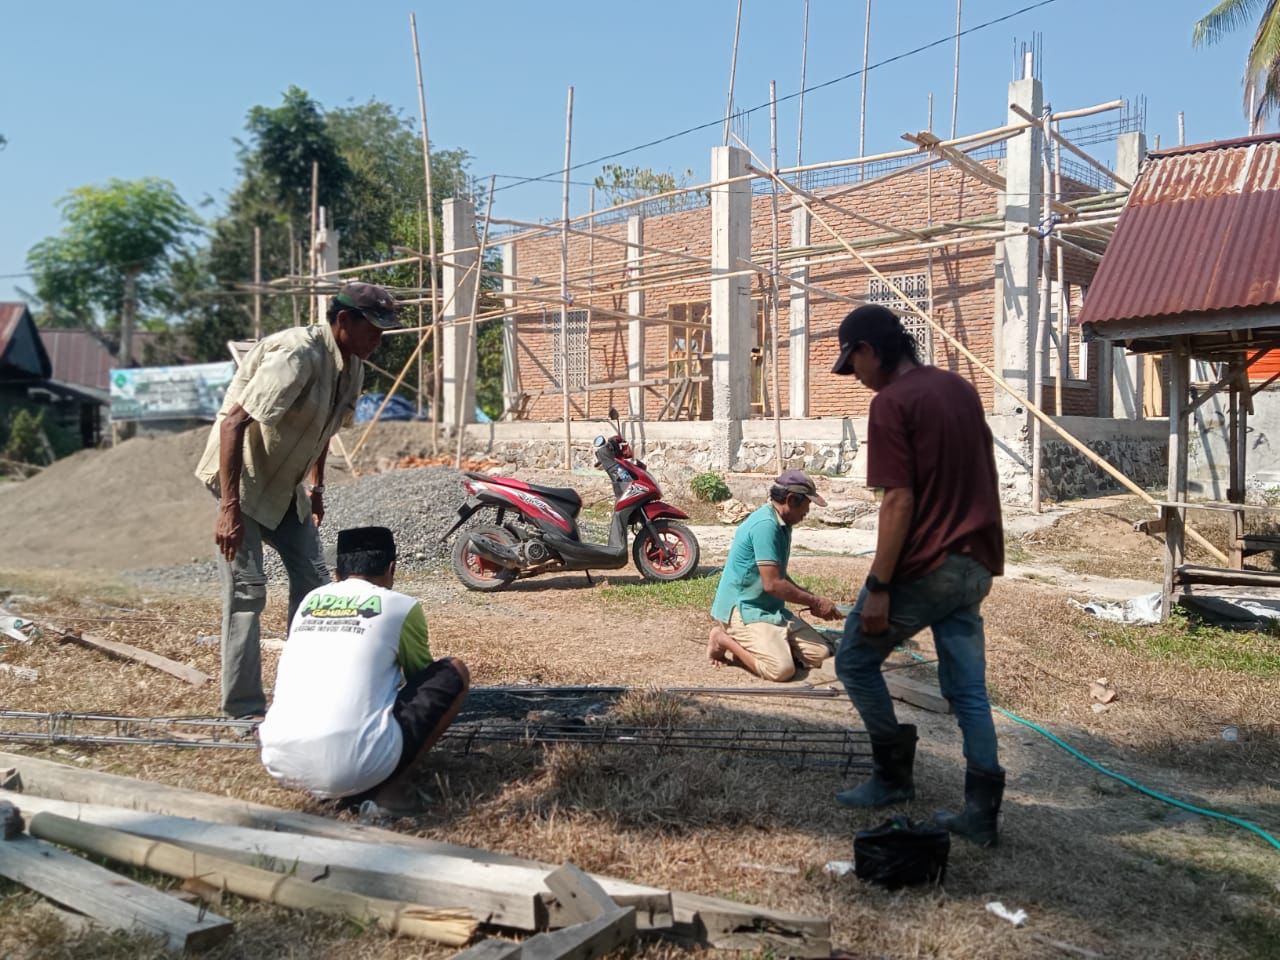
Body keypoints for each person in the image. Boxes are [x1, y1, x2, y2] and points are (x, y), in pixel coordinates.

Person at [829, 303, 1006, 847]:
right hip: (976, 562)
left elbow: (898, 500)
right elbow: (983, 471)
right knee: (969, 691)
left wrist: (879, 586)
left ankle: (891, 777)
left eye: (851, 363)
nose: (854, 377)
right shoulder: (959, 389)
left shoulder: (892, 403)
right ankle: (980, 812)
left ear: (868, 349)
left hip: (927, 568)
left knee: (855, 659)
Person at [195, 281, 401, 718]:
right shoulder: (297, 355)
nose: (379, 340)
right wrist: (228, 508)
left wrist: (316, 487)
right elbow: (234, 425)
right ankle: (243, 710)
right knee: (248, 594)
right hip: (243, 482)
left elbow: (324, 430)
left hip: (287, 487)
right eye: (374, 329)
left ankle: (304, 694)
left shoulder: (354, 365)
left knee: (315, 586)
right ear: (343, 321)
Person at [258, 526, 470, 813]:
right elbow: (419, 675)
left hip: (280, 762)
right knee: (453, 671)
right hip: (357, 769)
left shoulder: (309, 601)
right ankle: (390, 788)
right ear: (392, 568)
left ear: (337, 573)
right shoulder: (401, 606)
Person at [707, 470, 844, 681]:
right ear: (791, 500)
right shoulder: (765, 526)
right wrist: (815, 601)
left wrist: (814, 601)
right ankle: (722, 639)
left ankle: (772, 642)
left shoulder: (782, 523)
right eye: (807, 504)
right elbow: (773, 584)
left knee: (820, 655)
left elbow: (779, 576)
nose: (808, 511)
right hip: (744, 609)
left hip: (768, 607)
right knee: (780, 670)